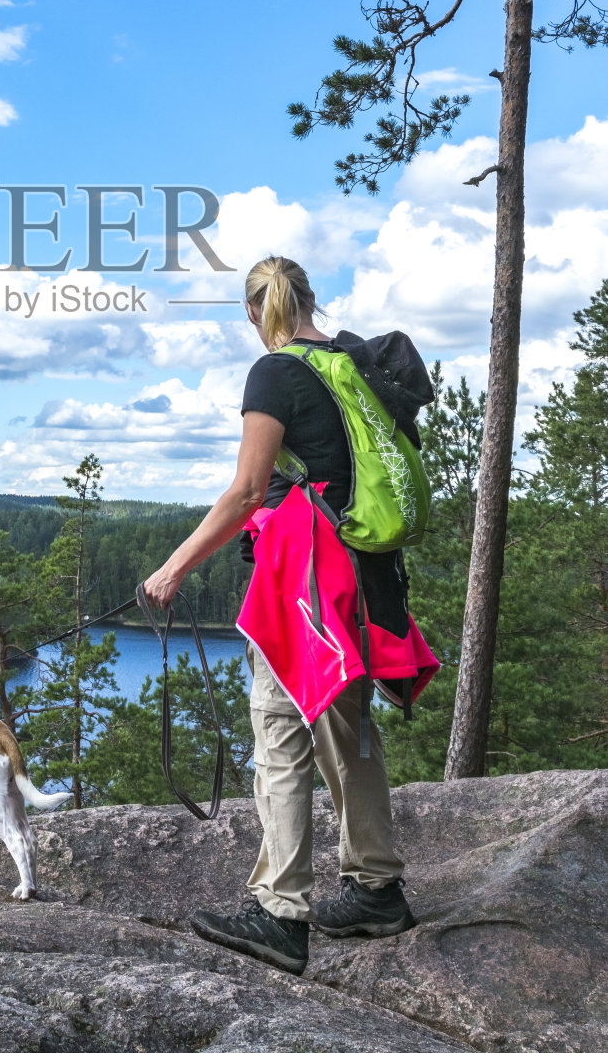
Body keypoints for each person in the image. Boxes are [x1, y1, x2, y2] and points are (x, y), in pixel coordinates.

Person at [142, 255, 422, 977]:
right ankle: (375, 887)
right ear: (309, 299)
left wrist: (174, 567)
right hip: (366, 575)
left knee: (278, 729)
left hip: (305, 582)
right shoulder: (355, 361)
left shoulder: (275, 372)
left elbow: (245, 491)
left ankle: (279, 912)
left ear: (252, 314)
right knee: (347, 725)